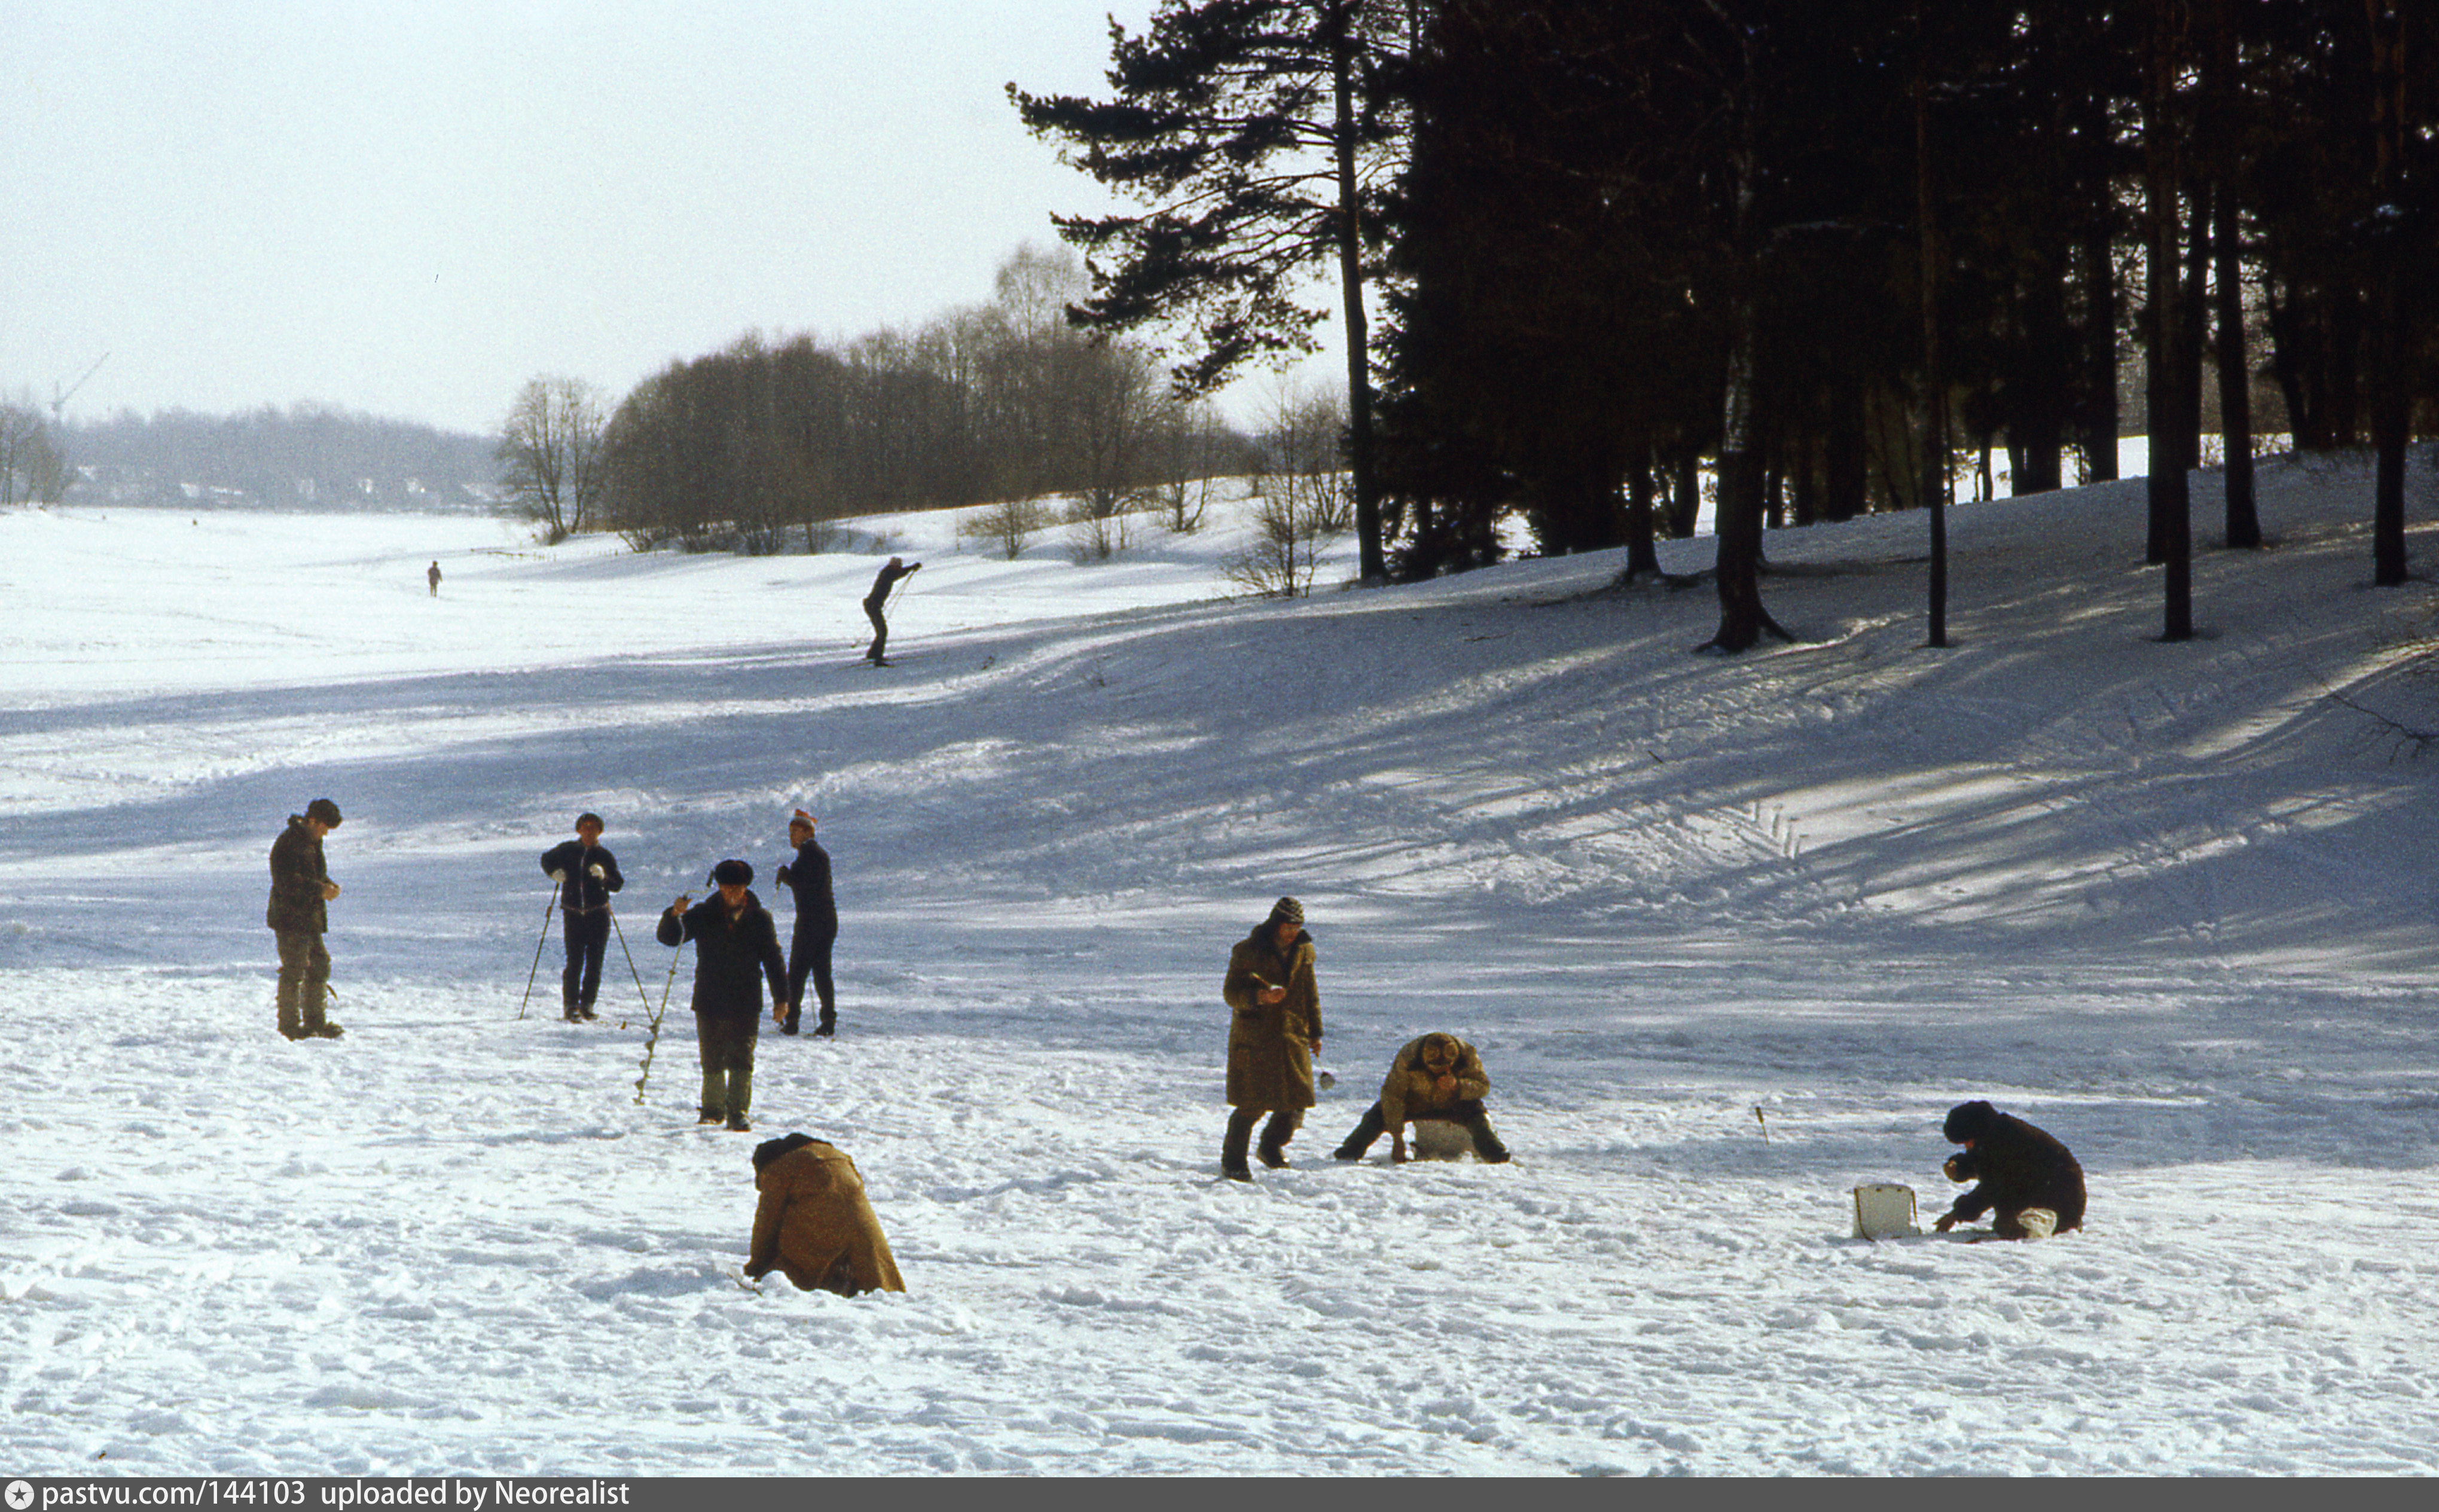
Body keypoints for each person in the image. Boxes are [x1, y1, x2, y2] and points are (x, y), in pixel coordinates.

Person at [657, 860, 788, 1131]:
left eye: (737, 888)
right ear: (718, 886)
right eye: (726, 887)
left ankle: (738, 1111)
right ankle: (712, 1110)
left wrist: (782, 999)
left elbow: (774, 960)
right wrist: (673, 914)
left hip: (746, 998)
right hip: (709, 995)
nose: (732, 893)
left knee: (742, 1055)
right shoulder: (704, 913)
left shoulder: (760, 918)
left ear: (746, 888)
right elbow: (671, 939)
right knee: (712, 1055)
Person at [1219, 896, 1323, 1180]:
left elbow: (1310, 994)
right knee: (1253, 1103)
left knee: (1297, 1098)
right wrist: (1259, 997)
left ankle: (1270, 1147)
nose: (1292, 931)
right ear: (1276, 924)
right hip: (1256, 1037)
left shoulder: (1304, 950)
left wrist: (1315, 1032)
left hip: (1293, 1034)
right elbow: (1231, 994)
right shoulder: (1247, 952)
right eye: (1288, 925)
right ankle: (1233, 1162)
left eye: (1297, 926)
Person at [746, 1133, 908, 1296]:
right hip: (866, 1229)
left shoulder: (779, 1168)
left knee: (793, 1275)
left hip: (823, 1230)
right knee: (879, 1284)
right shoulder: (839, 1157)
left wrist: (758, 1266)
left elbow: (767, 1222)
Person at [1333, 1032, 1511, 1164]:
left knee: (1477, 1114)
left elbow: (1483, 1086)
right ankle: (1351, 1150)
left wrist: (1458, 1086)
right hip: (1415, 1102)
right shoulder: (1407, 1057)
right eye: (1434, 1067)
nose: (1439, 1072)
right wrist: (1397, 1139)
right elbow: (1392, 1096)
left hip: (1454, 1102)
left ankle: (1495, 1153)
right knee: (1378, 1114)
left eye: (1445, 1068)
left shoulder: (1467, 1054)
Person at [1934, 1100, 2087, 1240]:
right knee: (2005, 1220)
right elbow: (1981, 1161)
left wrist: (1957, 1214)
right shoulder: (1994, 1132)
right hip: (2041, 1189)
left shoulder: (2006, 1139)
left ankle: (2040, 1226)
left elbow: (1992, 1187)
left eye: (1967, 1142)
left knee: (2007, 1225)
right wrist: (1958, 1167)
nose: (1967, 1146)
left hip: (2062, 1202)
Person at [266, 798, 346, 1041]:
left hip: (309, 918)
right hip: (289, 918)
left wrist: (326, 883)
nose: (326, 834)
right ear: (312, 821)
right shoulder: (288, 843)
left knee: (320, 965)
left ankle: (316, 1023)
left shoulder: (311, 841)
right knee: (294, 970)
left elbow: (313, 873)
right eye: (324, 828)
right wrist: (319, 890)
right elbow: (287, 881)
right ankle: (289, 1027)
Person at [539, 812, 625, 1022]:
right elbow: (546, 859)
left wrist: (604, 877)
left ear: (599, 831)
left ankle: (587, 1004)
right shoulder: (568, 850)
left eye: (594, 828)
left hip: (598, 914)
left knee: (595, 962)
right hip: (573, 914)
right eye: (585, 827)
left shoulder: (604, 855)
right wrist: (553, 872)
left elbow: (618, 884)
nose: (589, 831)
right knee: (575, 961)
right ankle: (570, 1006)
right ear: (579, 830)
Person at [774, 809, 838, 1037]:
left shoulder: (811, 854)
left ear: (806, 832)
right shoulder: (813, 854)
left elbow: (807, 886)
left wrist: (787, 876)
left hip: (812, 921)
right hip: (824, 920)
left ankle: (792, 1021)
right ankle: (827, 1020)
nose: (791, 836)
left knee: (798, 972)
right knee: (821, 972)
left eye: (795, 832)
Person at [862, 555, 920, 665]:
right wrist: (911, 568)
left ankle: (873, 654)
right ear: (894, 566)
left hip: (872, 605)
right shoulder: (888, 573)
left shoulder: (888, 571)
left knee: (881, 631)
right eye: (899, 566)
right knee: (883, 632)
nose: (900, 567)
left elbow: (899, 574)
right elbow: (898, 574)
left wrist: (911, 568)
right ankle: (878, 659)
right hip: (873, 606)